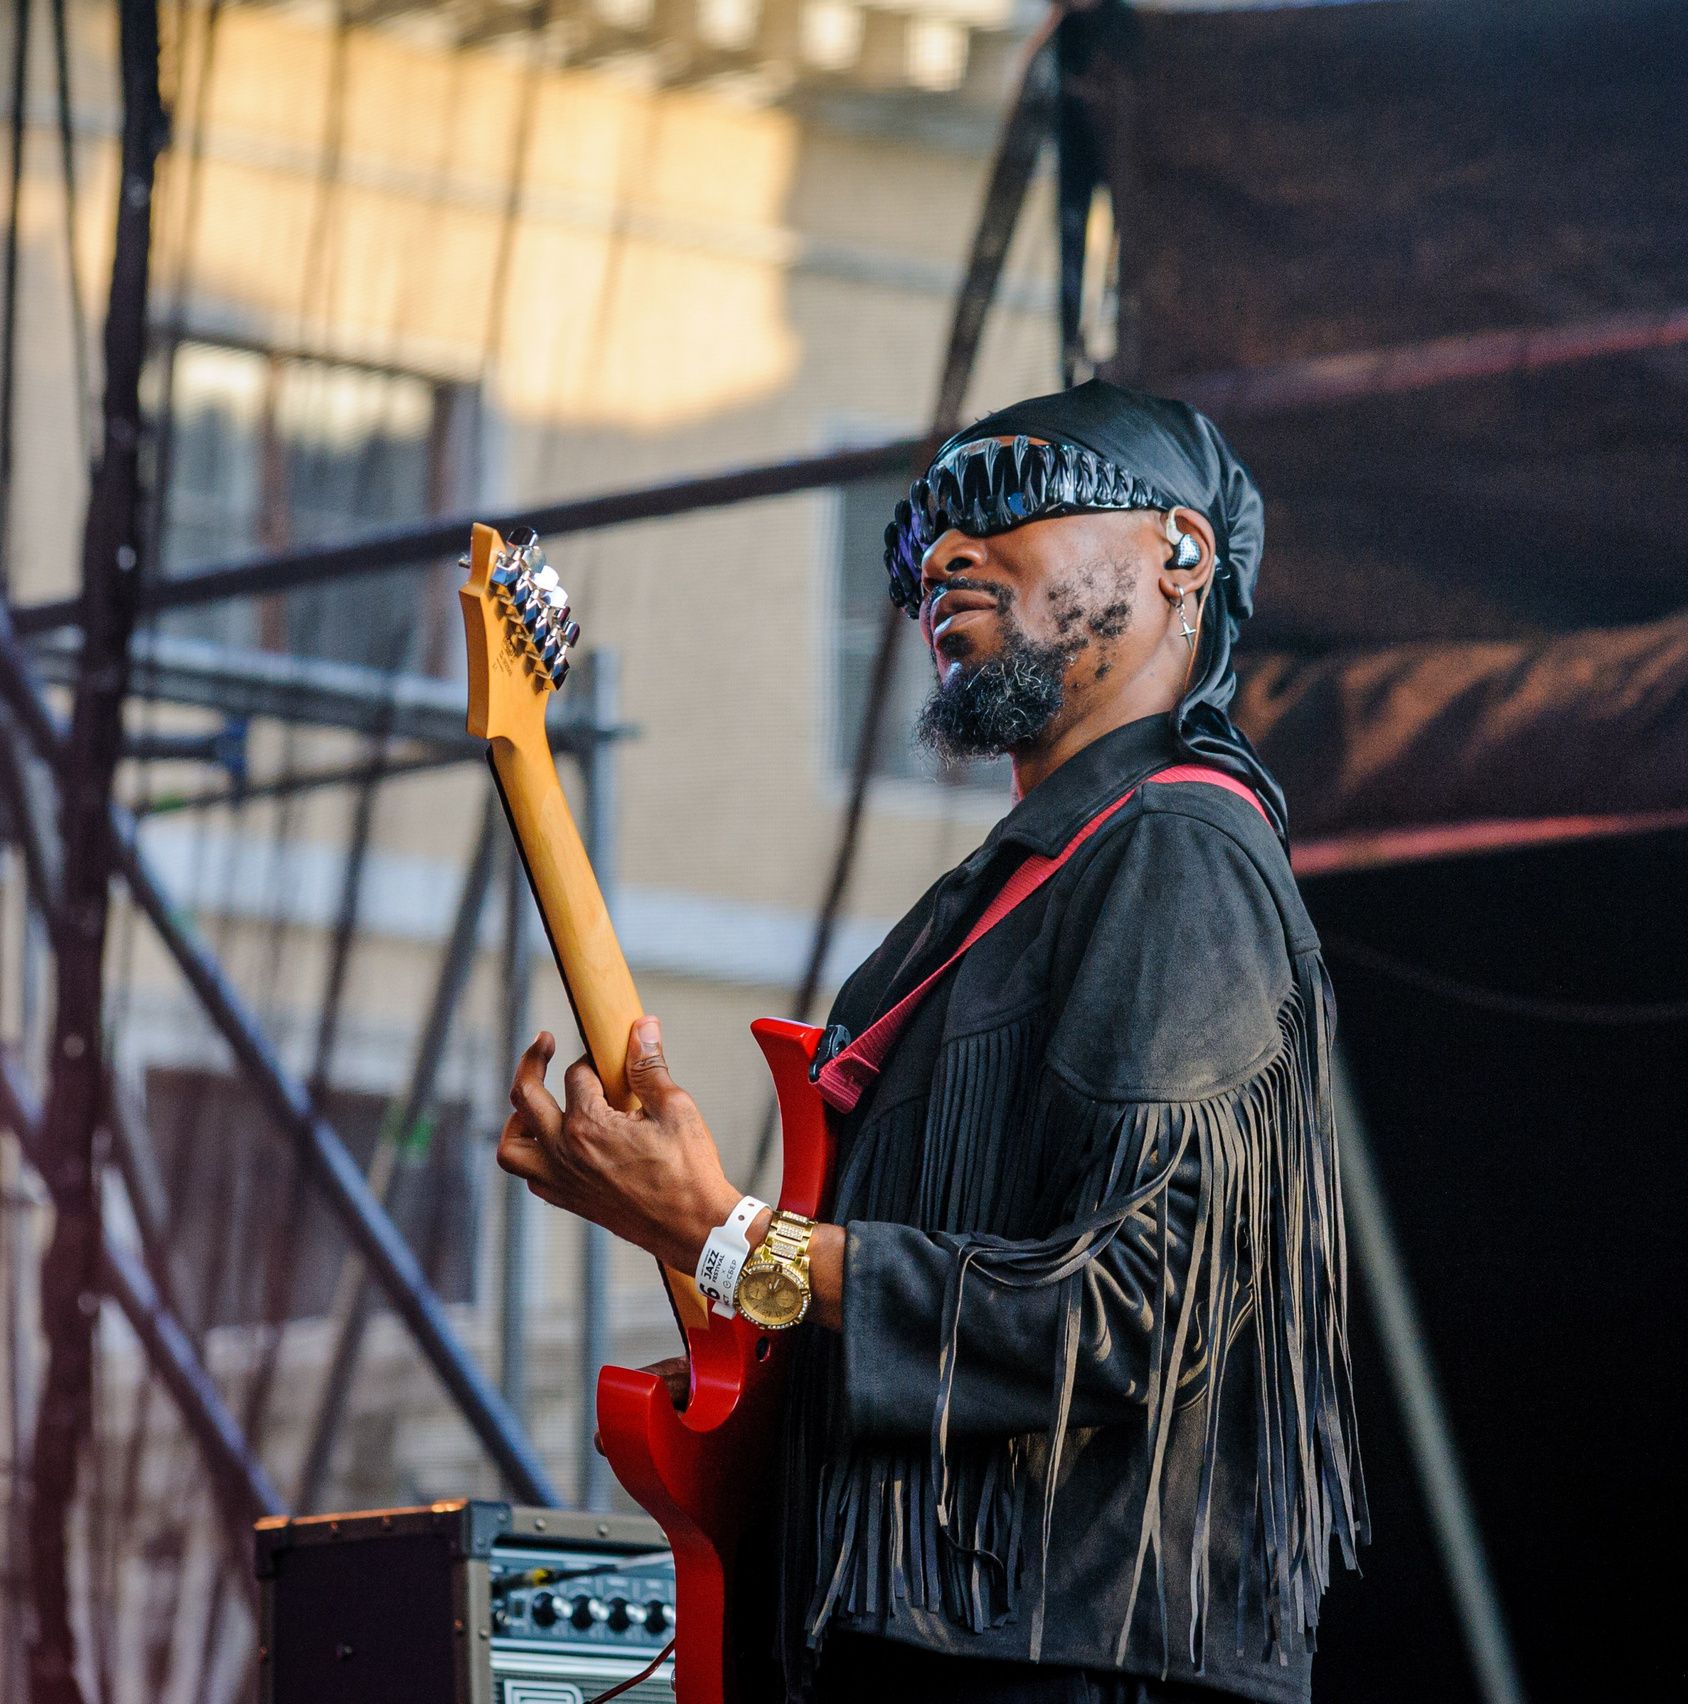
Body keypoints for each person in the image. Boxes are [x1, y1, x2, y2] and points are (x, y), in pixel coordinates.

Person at [497, 381, 1364, 1703]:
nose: (943, 558)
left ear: (1179, 553)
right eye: (917, 542)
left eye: (1007, 500)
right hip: (930, 1646)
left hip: (1072, 1658)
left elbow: (1137, 1310)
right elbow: (885, 1311)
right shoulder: (990, 907)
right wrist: (705, 1253)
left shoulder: (1182, 851)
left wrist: (729, 1239)